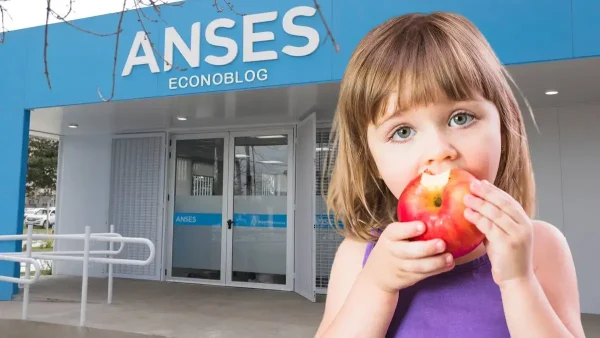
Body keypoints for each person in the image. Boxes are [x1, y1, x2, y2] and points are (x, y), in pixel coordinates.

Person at [315, 12, 586, 338]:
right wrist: (376, 286)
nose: (438, 150)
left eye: (461, 118)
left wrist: (518, 280)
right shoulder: (359, 255)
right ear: (370, 159)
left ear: (502, 126)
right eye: (402, 131)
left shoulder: (541, 247)